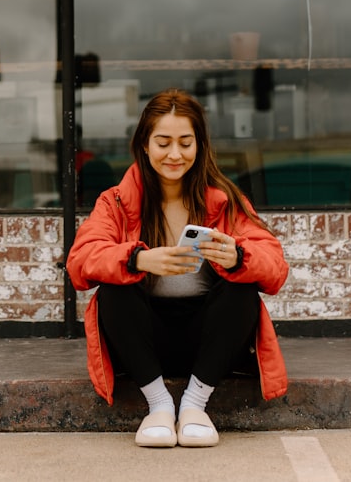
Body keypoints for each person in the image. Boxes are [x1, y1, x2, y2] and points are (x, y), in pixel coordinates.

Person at [66, 88, 288, 448]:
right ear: (144, 144)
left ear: (199, 145)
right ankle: (158, 406)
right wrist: (137, 259)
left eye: (185, 143)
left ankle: (195, 405)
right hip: (144, 340)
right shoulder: (116, 201)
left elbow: (276, 268)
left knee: (242, 288)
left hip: (209, 341)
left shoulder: (225, 199)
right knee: (113, 288)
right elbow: (80, 261)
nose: (174, 154)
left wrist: (239, 256)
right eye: (163, 142)